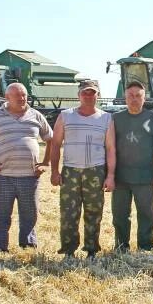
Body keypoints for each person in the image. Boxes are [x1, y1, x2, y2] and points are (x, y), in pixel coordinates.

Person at [0, 82, 52, 253]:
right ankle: (1, 248)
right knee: (2, 215)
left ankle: (28, 246)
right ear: (7, 98)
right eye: (17, 95)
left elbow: (51, 139)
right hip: (4, 177)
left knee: (29, 215)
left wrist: (46, 163)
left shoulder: (36, 116)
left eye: (24, 95)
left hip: (30, 177)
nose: (22, 98)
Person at [49, 79, 115, 259]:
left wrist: (110, 175)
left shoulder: (106, 118)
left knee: (94, 211)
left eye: (92, 92)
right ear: (78, 94)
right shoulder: (66, 116)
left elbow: (110, 148)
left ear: (98, 95)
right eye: (85, 92)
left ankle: (92, 250)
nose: (88, 95)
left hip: (95, 171)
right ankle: (68, 250)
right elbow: (55, 144)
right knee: (69, 212)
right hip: (70, 171)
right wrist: (54, 171)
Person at [111, 81, 153, 251]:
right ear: (125, 98)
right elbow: (109, 148)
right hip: (121, 178)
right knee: (120, 215)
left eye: (138, 96)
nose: (134, 99)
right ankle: (121, 247)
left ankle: (146, 247)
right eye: (130, 96)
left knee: (146, 214)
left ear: (144, 98)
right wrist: (110, 175)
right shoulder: (116, 118)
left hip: (145, 177)